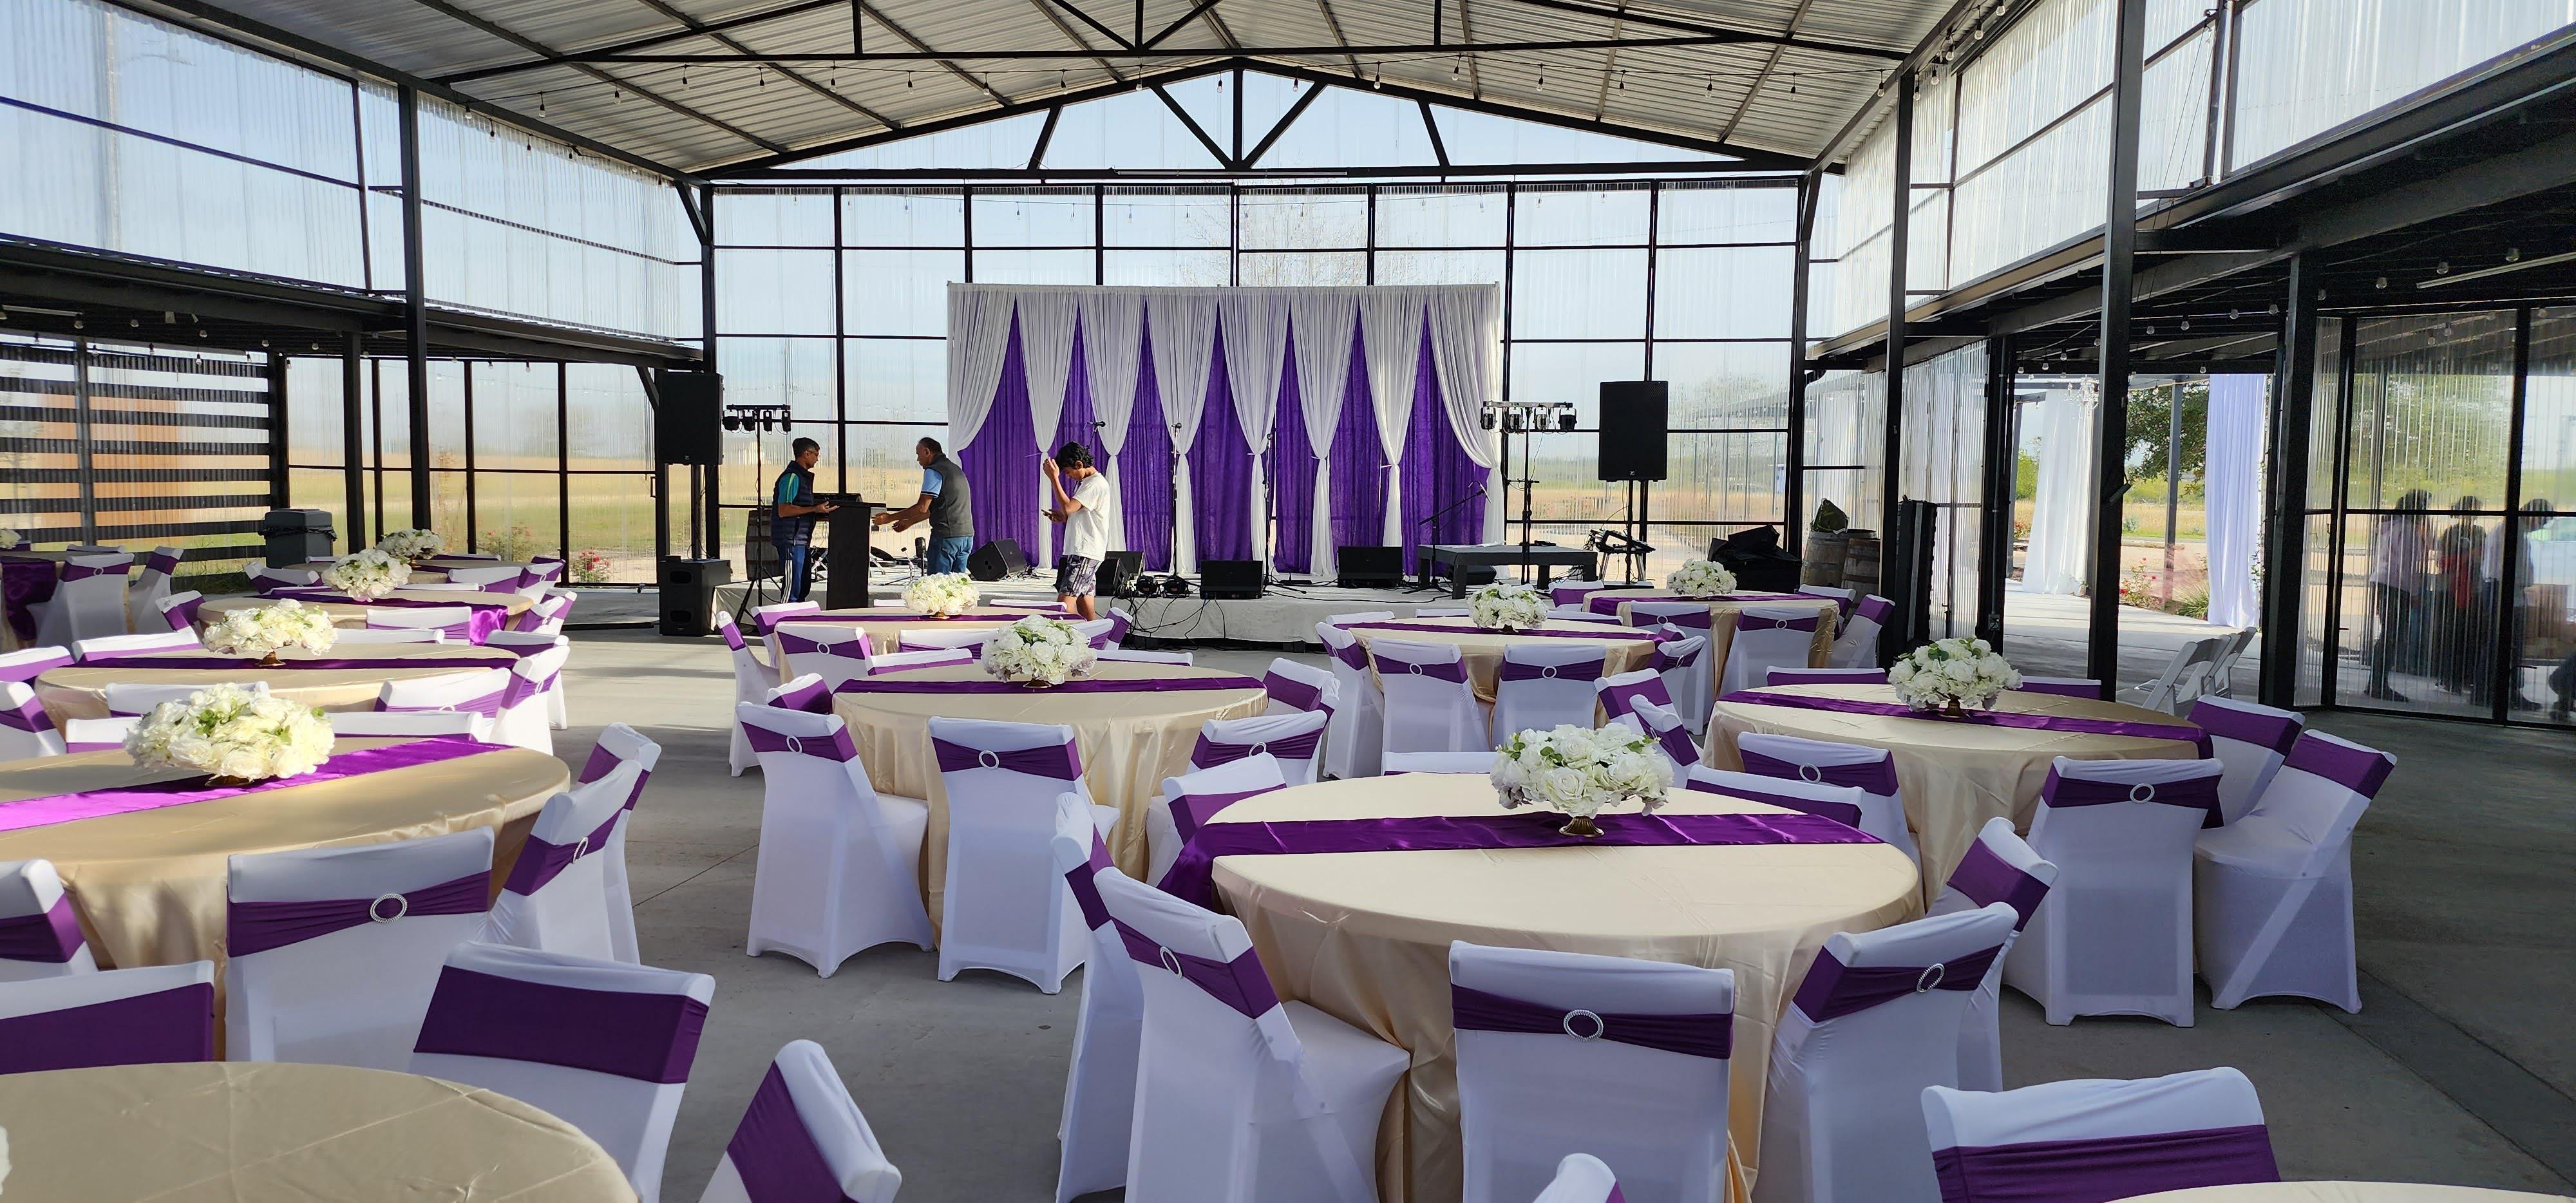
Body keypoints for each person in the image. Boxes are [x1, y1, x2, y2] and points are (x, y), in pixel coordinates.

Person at [2364, 489, 2430, 703]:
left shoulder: (2390, 527)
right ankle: (2379, 685)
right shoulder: (2407, 531)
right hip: (2397, 586)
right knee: (2392, 636)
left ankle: (2376, 683)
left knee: (2388, 635)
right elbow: (2407, 566)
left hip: (2384, 583)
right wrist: (2415, 592)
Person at [875, 437, 974, 574]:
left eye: (918, 454)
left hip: (946, 538)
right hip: (966, 537)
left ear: (927, 452)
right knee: (957, 583)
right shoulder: (955, 469)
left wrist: (889, 518)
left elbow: (922, 507)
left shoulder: (934, 471)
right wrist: (909, 522)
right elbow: (935, 508)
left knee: (937, 583)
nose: (918, 459)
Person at [1041, 440, 1114, 621]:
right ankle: (1098, 637)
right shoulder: (1086, 483)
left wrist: (1054, 479)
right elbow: (1072, 513)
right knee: (1084, 605)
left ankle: (1064, 637)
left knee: (1063, 606)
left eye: (1068, 472)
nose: (1069, 477)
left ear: (1079, 464)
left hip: (1084, 553)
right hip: (1084, 552)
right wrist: (1062, 516)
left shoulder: (1094, 484)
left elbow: (1068, 508)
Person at [771, 437, 838, 603]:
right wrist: (814, 509)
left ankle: (798, 615)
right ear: (806, 454)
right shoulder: (792, 477)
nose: (817, 459)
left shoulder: (803, 477)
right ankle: (785, 616)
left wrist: (820, 512)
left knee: (802, 585)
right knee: (792, 587)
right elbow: (784, 510)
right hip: (791, 540)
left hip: (800, 540)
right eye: (816, 454)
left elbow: (801, 508)